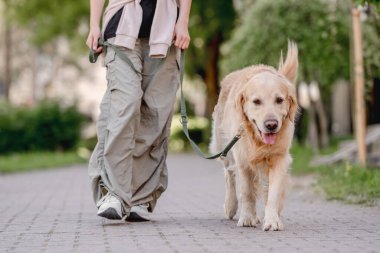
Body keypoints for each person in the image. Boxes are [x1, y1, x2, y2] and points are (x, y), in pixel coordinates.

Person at [86, 0, 191, 222]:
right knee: (124, 104)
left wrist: (183, 22)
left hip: (166, 27)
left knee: (156, 113)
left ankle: (141, 196)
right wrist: (94, 25)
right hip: (122, 24)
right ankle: (113, 192)